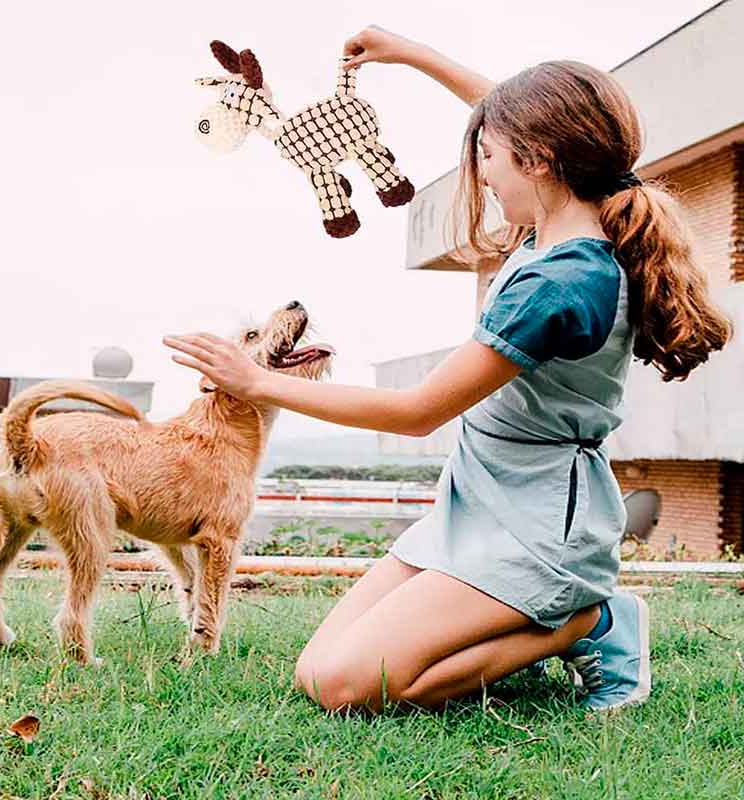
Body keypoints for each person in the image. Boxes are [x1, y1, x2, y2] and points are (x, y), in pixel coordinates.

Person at [164, 26, 732, 713]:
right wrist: (410, 53)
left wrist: (255, 380)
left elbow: (419, 412)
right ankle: (534, 620)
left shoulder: (562, 281)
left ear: (542, 161)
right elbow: (517, 115)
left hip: (540, 525)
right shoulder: (559, 220)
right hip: (475, 505)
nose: (484, 171)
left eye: (489, 156)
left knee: (344, 687)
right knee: (316, 669)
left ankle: (591, 620)